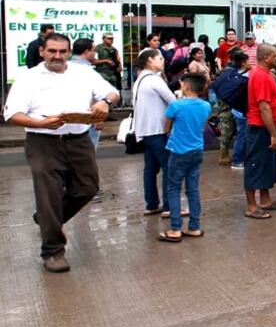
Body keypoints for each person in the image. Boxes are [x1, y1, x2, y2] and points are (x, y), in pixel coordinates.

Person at [3, 33, 119, 272]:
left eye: (62, 51)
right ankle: (53, 252)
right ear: (42, 52)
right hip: (43, 142)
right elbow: (12, 114)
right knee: (49, 195)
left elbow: (112, 93)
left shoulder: (83, 72)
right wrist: (42, 124)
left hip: (79, 140)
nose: (58, 56)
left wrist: (104, 102)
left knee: (88, 187)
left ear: (68, 52)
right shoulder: (28, 78)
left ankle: (47, 219)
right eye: (52, 51)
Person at [157, 73, 212, 242]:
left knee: (173, 188)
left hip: (179, 151)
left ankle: (175, 228)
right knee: (193, 189)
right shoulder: (206, 106)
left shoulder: (176, 106)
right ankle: (194, 226)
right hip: (197, 150)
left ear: (186, 87)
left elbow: (165, 126)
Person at [243, 44, 276, 219]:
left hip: (267, 126)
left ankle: (265, 199)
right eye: (275, 56)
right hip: (259, 128)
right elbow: (263, 107)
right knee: (255, 165)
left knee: (267, 166)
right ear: (266, 58)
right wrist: (274, 134)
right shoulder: (260, 76)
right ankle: (251, 206)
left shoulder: (266, 74)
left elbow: (273, 98)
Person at [133, 48, 176, 215]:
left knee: (150, 169)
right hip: (158, 129)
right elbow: (172, 101)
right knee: (168, 167)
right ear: (149, 60)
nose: (162, 61)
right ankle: (169, 205)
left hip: (145, 130)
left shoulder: (140, 80)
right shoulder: (154, 80)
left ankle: (151, 204)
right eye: (159, 58)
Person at [213, 49, 249, 166]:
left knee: (229, 131)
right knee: (231, 131)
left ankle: (225, 154)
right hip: (229, 106)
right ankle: (225, 155)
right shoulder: (232, 72)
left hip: (227, 105)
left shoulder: (227, 71)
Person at [70, 39, 104, 150]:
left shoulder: (66, 68)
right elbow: (92, 95)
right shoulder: (87, 71)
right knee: (86, 154)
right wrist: (97, 118)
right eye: (94, 50)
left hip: (69, 119)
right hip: (86, 118)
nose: (95, 54)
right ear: (86, 52)